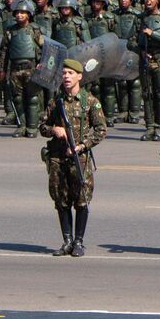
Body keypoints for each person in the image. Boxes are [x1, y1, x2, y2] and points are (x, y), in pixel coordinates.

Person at [42, 58, 106, 258]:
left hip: (80, 159)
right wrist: (54, 130)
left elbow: (101, 130)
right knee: (61, 200)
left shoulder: (90, 102)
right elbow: (42, 127)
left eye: (70, 73)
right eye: (64, 73)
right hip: (58, 158)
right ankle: (67, 241)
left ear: (79, 76)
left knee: (82, 200)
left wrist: (82, 146)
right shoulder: (56, 101)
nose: (66, 77)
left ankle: (78, 241)